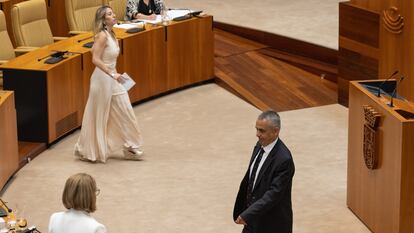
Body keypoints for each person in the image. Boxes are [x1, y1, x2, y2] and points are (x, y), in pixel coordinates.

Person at [74, 5, 144, 163]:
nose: (114, 16)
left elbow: (96, 52)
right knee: (99, 114)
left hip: (113, 78)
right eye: (110, 14)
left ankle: (129, 146)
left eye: (113, 13)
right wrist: (113, 74)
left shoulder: (112, 34)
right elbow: (95, 59)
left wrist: (114, 74)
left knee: (124, 110)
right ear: (103, 20)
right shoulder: (102, 36)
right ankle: (86, 147)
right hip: (102, 80)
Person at [233, 110, 295, 233]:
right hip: (252, 221)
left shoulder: (284, 160)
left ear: (276, 131)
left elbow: (272, 195)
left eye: (262, 131)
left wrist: (248, 214)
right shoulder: (259, 145)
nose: (257, 134)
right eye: (256, 129)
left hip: (271, 224)